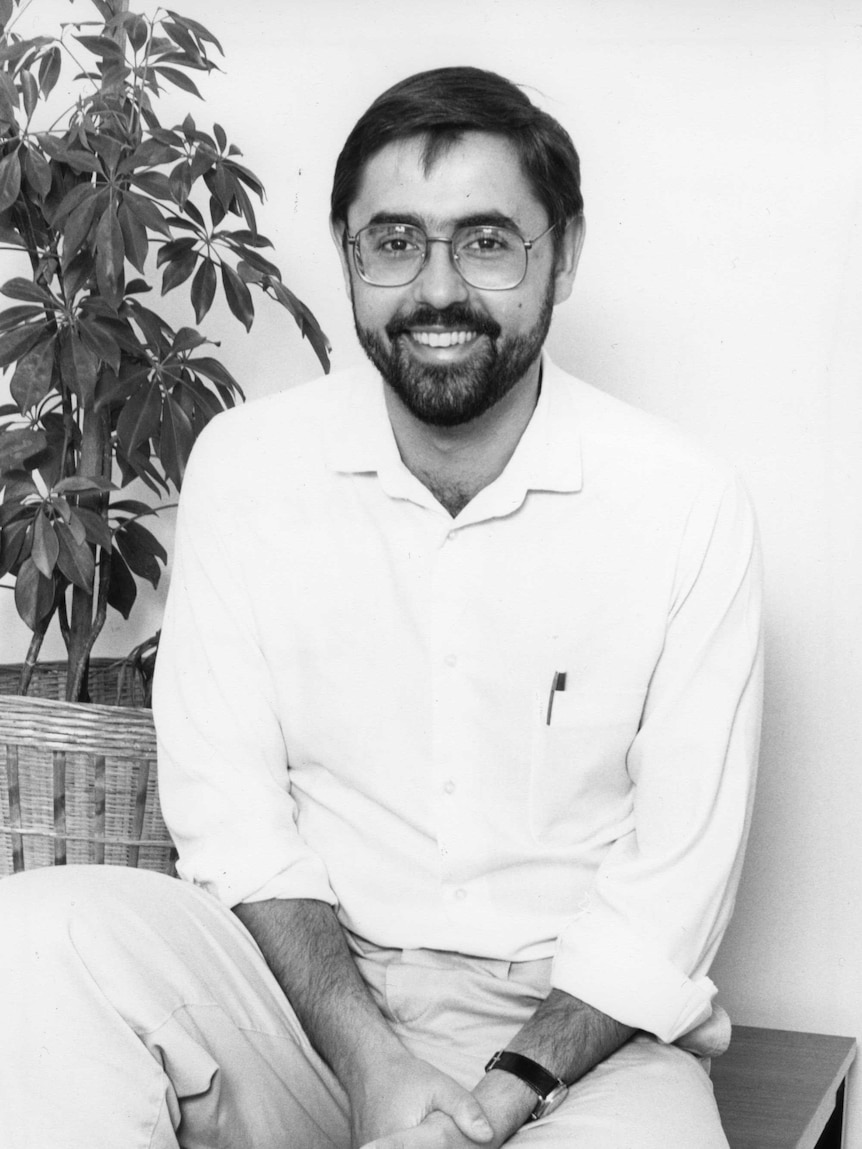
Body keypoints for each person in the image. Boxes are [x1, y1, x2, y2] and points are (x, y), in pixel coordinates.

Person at [0, 66, 763, 1149]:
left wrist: (486, 1106)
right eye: (394, 241)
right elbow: (231, 816)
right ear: (350, 252)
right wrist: (371, 1063)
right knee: (35, 935)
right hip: (304, 1004)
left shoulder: (682, 504)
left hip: (579, 1046)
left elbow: (673, 886)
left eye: (487, 241)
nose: (437, 289)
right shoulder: (250, 466)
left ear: (567, 253)